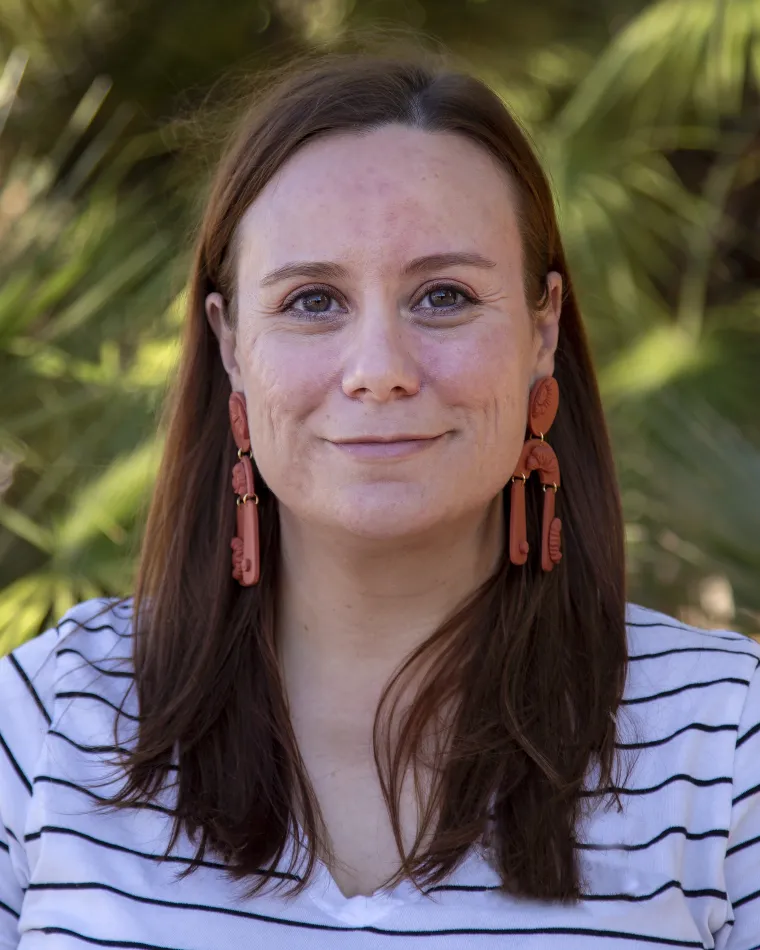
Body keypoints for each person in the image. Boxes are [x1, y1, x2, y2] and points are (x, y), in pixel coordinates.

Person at [0, 48, 758, 949]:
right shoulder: (50, 723)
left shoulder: (725, 743)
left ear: (542, 330)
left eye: (443, 296)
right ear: (232, 344)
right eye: (313, 301)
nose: (380, 372)